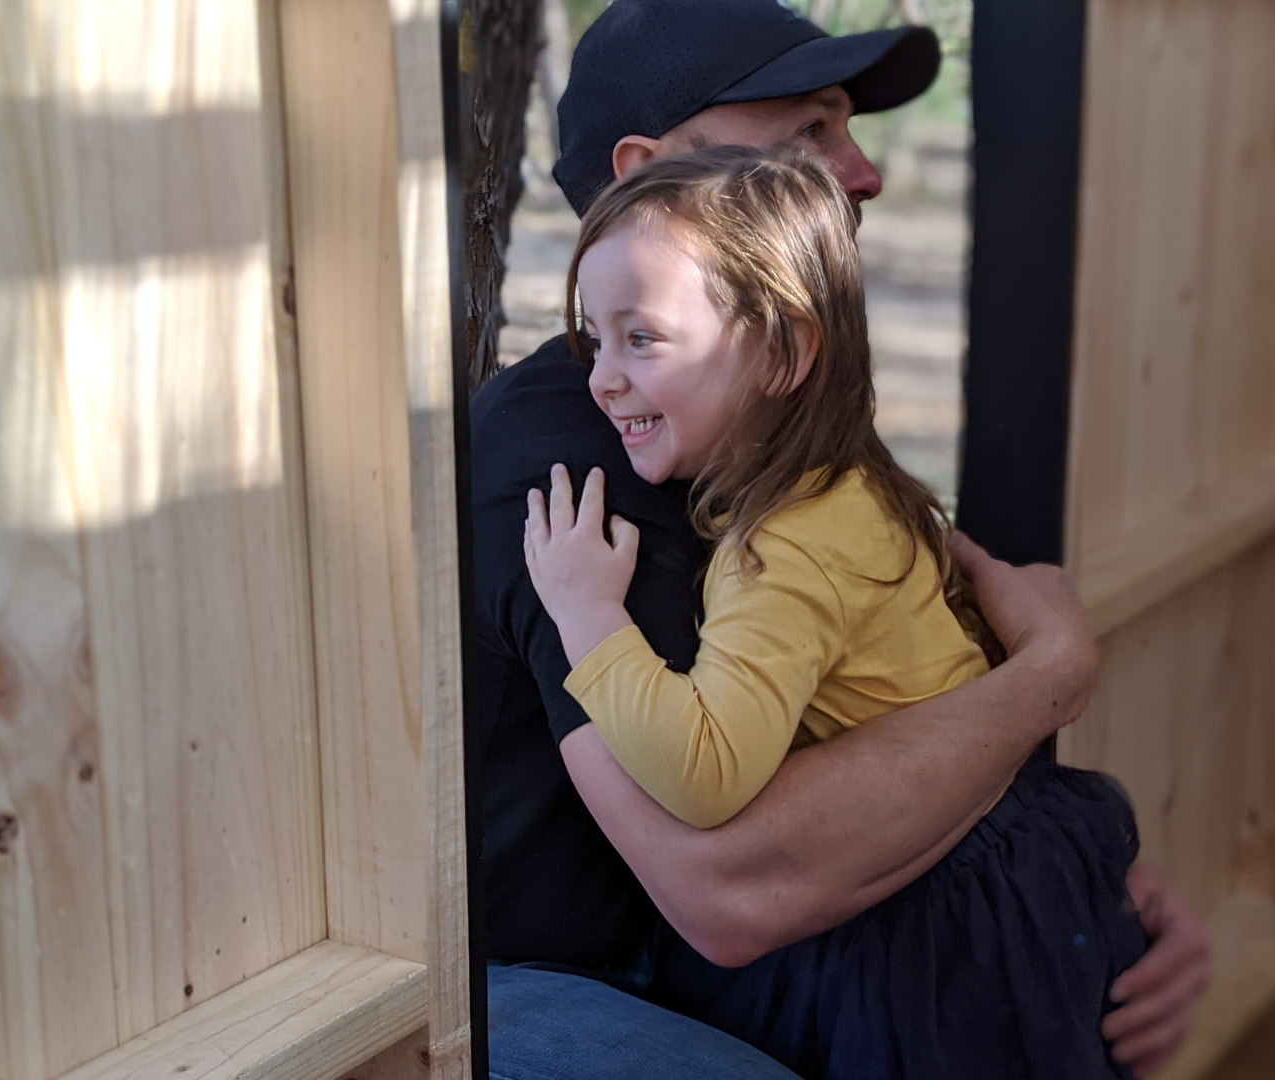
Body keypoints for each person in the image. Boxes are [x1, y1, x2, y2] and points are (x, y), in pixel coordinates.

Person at [469, 2, 1213, 1077]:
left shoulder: (767, 416)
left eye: (848, 129)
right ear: (649, 170)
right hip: (572, 975)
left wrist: (1093, 894)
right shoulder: (567, 470)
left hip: (751, 945)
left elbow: (908, 691)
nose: (863, 172)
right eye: (809, 131)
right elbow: (726, 891)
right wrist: (1051, 675)